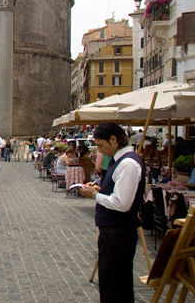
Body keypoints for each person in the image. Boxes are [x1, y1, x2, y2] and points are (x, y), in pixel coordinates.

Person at [79, 122, 145, 303]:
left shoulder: (128, 164)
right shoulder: (121, 162)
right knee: (111, 286)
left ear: (114, 140)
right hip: (113, 232)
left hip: (119, 233)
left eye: (100, 146)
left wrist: (95, 196)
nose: (100, 151)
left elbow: (122, 203)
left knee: (116, 289)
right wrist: (101, 192)